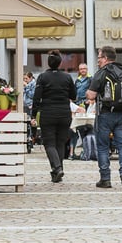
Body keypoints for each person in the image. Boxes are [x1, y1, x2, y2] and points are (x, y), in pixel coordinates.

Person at [86, 46, 122, 189]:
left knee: (102, 147)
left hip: (105, 114)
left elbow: (91, 95)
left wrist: (89, 94)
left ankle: (105, 179)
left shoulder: (101, 73)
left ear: (105, 58)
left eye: (99, 58)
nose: (98, 61)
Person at [35, 50, 75, 183]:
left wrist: (33, 115)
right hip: (64, 113)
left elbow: (37, 97)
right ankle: (58, 171)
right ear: (60, 63)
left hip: (48, 113)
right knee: (60, 142)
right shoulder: (67, 77)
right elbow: (73, 96)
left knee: (49, 143)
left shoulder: (42, 77)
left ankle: (57, 168)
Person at [22, 72, 37, 152]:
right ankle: (27, 141)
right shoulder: (27, 84)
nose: (25, 80)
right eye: (24, 79)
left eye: (26, 78)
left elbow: (32, 95)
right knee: (26, 123)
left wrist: (26, 86)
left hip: (30, 105)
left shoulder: (33, 84)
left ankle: (31, 141)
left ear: (31, 78)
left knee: (31, 123)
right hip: (25, 105)